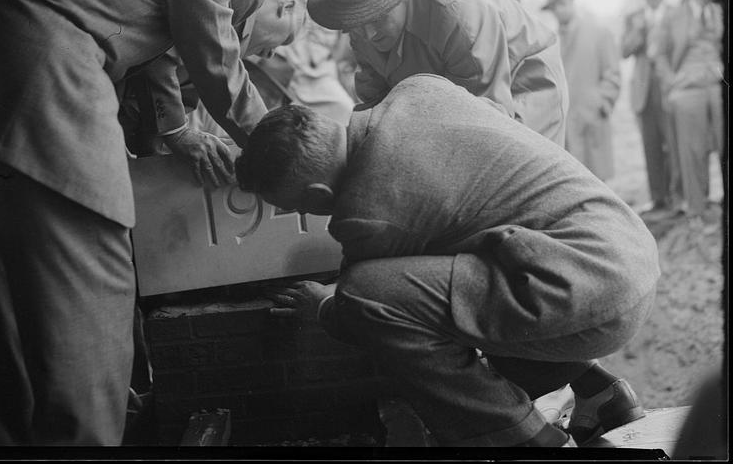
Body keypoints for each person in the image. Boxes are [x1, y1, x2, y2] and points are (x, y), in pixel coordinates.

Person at [0, 0, 273, 450]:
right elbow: (221, 75)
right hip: (49, 102)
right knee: (90, 299)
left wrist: (174, 130)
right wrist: (287, 147)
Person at [235, 74, 659, 448]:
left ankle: (526, 439)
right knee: (467, 272)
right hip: (625, 251)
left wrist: (323, 304)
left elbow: (359, 312)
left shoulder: (369, 211)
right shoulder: (418, 89)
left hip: (593, 302)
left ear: (317, 197)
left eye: (295, 209)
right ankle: (599, 393)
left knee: (368, 295)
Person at [307, 0, 569, 146]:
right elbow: (376, 103)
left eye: (377, 17)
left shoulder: (459, 13)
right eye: (358, 23)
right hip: (447, 89)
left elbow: (487, 118)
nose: (368, 33)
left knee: (513, 167)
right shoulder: (363, 27)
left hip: (521, 80)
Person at [119, 0, 306, 176]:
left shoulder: (216, 53)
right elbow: (158, 58)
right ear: (286, 7)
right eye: (285, 39)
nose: (271, 54)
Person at [255, 0, 356, 125]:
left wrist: (315, 56)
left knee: (345, 110)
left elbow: (329, 28)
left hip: (315, 71)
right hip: (274, 70)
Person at [651, 0, 724, 222]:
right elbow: (659, 55)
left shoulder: (718, 9)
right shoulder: (673, 17)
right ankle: (697, 208)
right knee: (692, 151)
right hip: (687, 89)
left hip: (718, 84)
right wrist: (671, 84)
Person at [543, 0, 621, 181]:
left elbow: (613, 73)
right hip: (566, 123)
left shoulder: (598, 32)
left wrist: (601, 101)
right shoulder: (550, 41)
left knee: (599, 179)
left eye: (563, 3)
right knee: (574, 180)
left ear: (572, 2)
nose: (560, 9)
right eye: (555, 6)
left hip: (592, 117)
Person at [621, 0, 678, 217]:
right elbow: (624, 50)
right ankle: (658, 197)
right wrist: (639, 30)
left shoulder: (675, 13)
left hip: (668, 87)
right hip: (644, 90)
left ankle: (677, 196)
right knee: (650, 144)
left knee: (673, 143)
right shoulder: (634, 18)